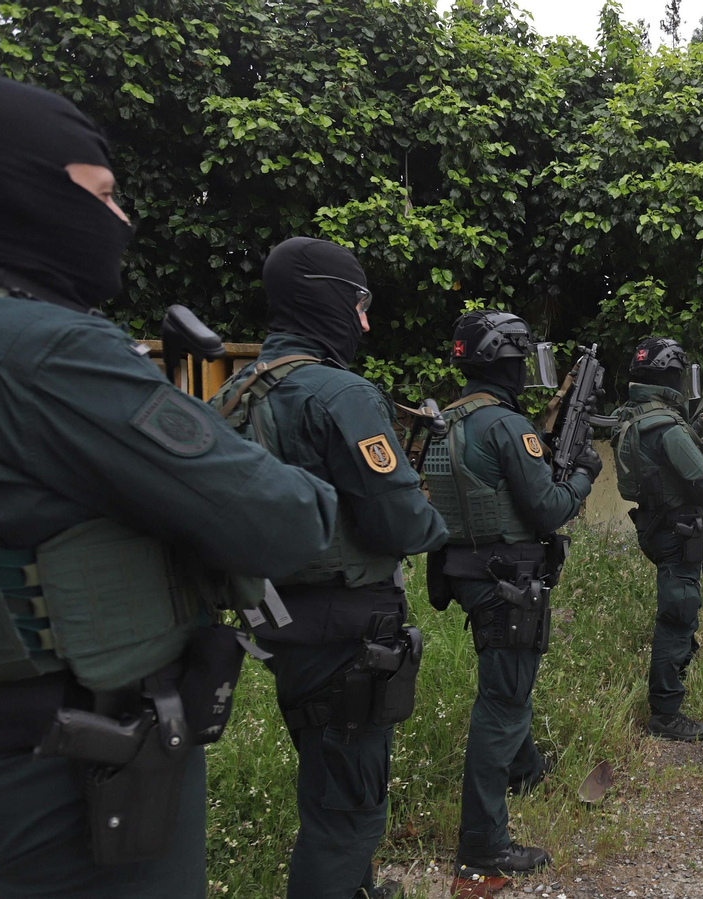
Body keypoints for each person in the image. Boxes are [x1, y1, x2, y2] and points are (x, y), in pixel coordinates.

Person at [0, 78, 337, 897]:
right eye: (102, 194)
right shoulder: (51, 349)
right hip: (82, 755)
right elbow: (280, 516)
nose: (121, 219)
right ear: (26, 190)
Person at [209, 237, 448, 899]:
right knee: (349, 809)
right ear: (326, 299)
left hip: (275, 617)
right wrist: (434, 520)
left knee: (330, 776)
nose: (364, 323)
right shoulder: (339, 393)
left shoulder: (236, 391)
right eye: (358, 304)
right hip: (343, 627)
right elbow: (401, 522)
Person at [423, 310, 603, 882]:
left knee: (508, 686)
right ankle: (483, 844)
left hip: (467, 573)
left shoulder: (448, 418)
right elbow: (548, 508)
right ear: (504, 360)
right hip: (505, 581)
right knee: (502, 705)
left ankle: (526, 772)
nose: (526, 369)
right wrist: (584, 473)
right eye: (522, 358)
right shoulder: (506, 425)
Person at [610, 337, 703, 742]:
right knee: (677, 616)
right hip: (678, 532)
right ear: (671, 377)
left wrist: (695, 430)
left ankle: (678, 671)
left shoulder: (633, 417)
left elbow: (663, 463)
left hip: (657, 527)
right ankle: (665, 712)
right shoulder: (668, 428)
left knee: (679, 610)